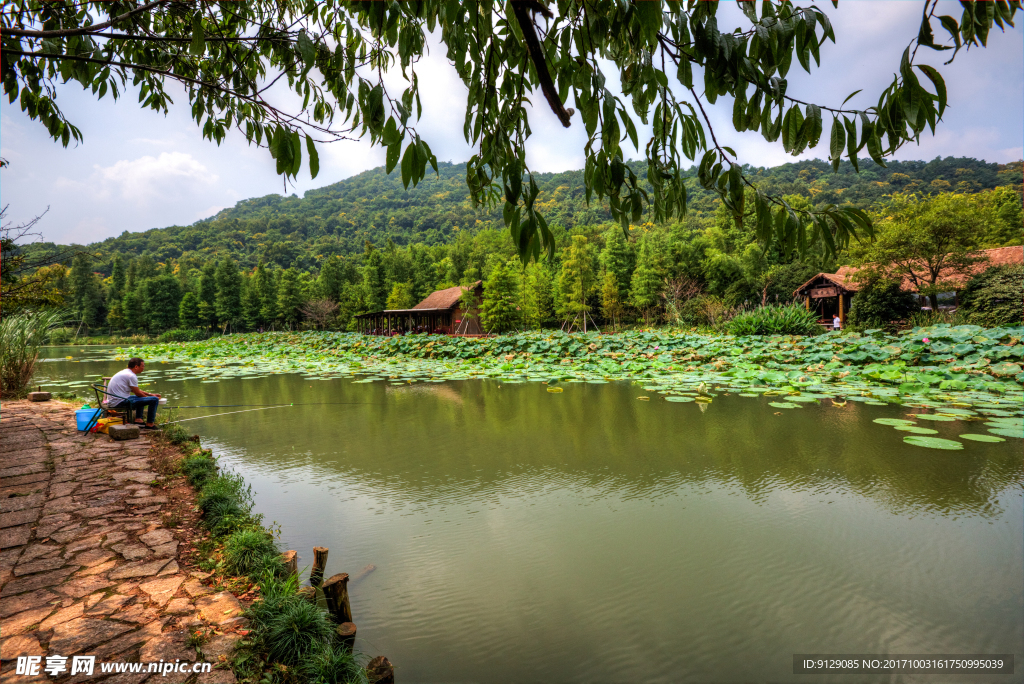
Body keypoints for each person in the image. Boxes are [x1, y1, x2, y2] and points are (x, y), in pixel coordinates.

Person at [104, 357, 161, 429]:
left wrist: (150, 394)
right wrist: (150, 398)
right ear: (136, 367)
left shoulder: (126, 372)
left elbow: (134, 390)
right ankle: (150, 424)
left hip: (115, 400)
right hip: (119, 402)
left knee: (142, 398)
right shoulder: (131, 376)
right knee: (154, 400)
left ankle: (138, 420)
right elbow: (138, 393)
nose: (143, 368)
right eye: (143, 366)